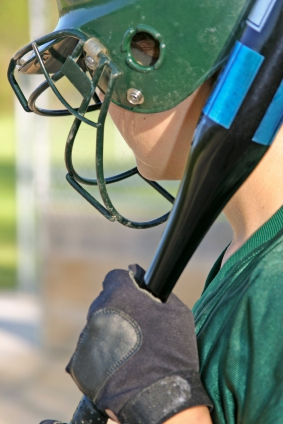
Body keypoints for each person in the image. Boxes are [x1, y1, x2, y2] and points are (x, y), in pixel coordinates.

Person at [8, 0, 283, 423]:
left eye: (104, 63)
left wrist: (162, 404)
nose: (98, 91)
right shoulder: (250, 254)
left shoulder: (276, 285)